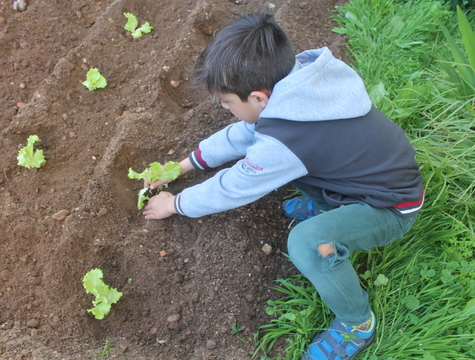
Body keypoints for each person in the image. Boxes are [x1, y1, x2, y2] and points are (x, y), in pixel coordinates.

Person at [142, 12, 424, 360]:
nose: (226, 109)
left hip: (392, 206)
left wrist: (175, 204)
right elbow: (244, 135)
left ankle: (356, 322)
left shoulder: (288, 138)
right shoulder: (297, 85)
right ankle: (332, 206)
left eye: (228, 103)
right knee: (295, 172)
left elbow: (232, 187)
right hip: (366, 179)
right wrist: (182, 166)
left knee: (308, 243)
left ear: (259, 98)